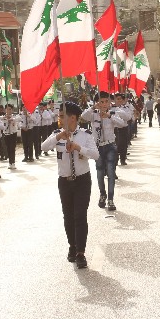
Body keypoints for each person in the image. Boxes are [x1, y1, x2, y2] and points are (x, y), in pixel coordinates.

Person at [41, 102, 99, 269]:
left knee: (80, 215)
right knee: (68, 216)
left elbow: (95, 155)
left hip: (82, 180)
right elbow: (43, 147)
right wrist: (59, 136)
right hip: (64, 181)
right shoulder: (56, 134)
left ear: (73, 118)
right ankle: (72, 246)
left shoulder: (85, 135)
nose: (59, 119)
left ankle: (81, 252)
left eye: (62, 116)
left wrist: (78, 148)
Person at [81, 91, 126, 211]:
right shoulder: (93, 114)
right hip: (98, 147)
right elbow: (83, 116)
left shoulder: (112, 113)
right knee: (100, 172)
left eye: (107, 101)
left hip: (110, 145)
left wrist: (109, 116)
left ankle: (111, 199)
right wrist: (93, 107)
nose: (104, 104)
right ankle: (102, 194)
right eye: (101, 102)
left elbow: (122, 124)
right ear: (97, 102)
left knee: (111, 173)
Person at [113, 93, 134, 166]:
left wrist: (117, 112)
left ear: (122, 100)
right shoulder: (111, 108)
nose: (118, 101)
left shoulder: (126, 108)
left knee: (124, 145)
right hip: (114, 130)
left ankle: (123, 159)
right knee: (115, 146)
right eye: (117, 99)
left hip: (123, 129)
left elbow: (128, 117)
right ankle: (115, 161)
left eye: (120, 99)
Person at [2, 104, 21, 170]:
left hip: (13, 134)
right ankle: (10, 162)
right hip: (6, 134)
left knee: (12, 148)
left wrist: (11, 119)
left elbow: (19, 119)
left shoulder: (15, 116)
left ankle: (12, 162)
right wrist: (5, 118)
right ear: (5, 110)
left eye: (10, 109)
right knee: (8, 149)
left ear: (12, 110)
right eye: (7, 109)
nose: (8, 110)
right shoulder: (3, 117)